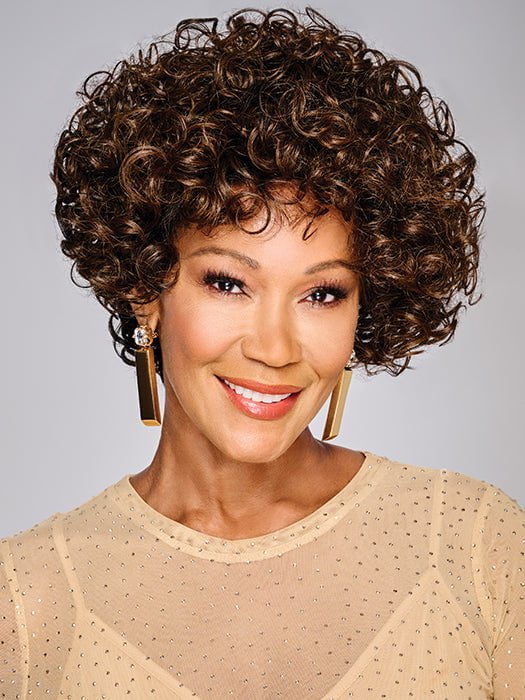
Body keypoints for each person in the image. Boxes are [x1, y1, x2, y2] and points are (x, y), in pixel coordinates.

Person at [1, 6, 523, 698]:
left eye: (322, 294)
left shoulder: (477, 545)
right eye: (228, 283)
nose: (275, 349)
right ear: (145, 289)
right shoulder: (27, 600)